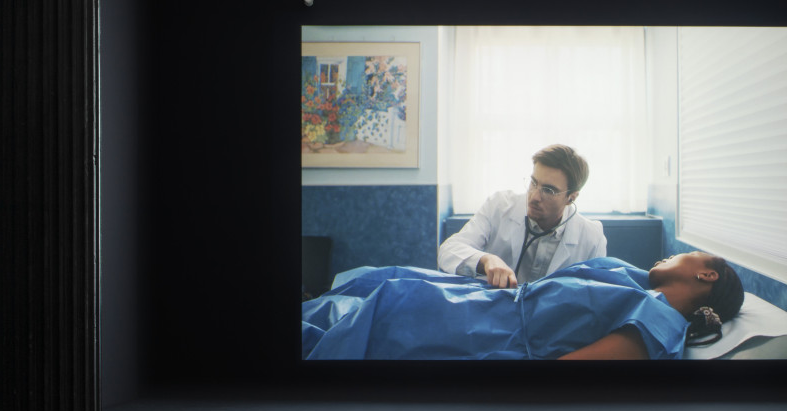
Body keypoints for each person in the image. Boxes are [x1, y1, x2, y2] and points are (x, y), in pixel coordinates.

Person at [301, 252, 744, 360]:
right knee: (381, 277)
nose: (668, 258)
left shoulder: (660, 322)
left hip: (485, 333)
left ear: (706, 274)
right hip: (485, 303)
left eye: (689, 255)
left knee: (369, 311)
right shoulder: (637, 283)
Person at [437, 144, 607, 288]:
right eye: (533, 183)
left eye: (548, 190)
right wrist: (486, 260)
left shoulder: (592, 237)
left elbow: (597, 298)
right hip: (494, 314)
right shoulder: (499, 206)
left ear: (571, 197)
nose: (534, 197)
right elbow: (448, 250)